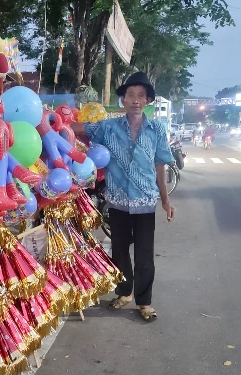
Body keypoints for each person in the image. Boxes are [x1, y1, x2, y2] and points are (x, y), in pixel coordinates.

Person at [71, 72, 175, 320]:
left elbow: (161, 165)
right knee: (119, 251)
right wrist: (50, 121)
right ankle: (125, 292)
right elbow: (78, 128)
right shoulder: (108, 127)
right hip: (117, 202)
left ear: (148, 100)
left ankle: (145, 302)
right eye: (130, 95)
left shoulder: (157, 130)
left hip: (145, 202)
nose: (135, 100)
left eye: (141, 95)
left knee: (144, 254)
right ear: (124, 99)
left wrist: (166, 200)